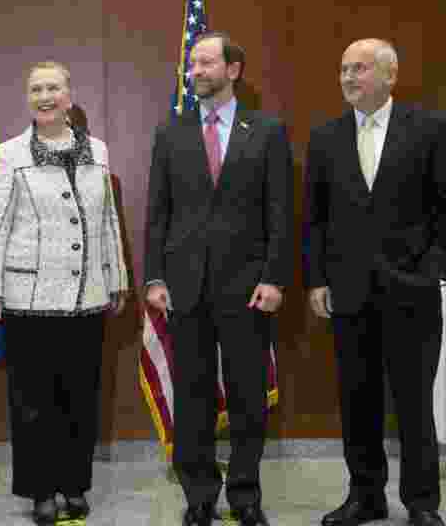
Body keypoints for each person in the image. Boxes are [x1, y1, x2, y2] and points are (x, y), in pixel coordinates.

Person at [303, 38, 446, 526]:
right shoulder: (326, 136)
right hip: (348, 293)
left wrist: (436, 269)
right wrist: (316, 281)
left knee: (414, 403)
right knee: (358, 401)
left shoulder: (430, 128)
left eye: (359, 69)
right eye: (343, 69)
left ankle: (422, 503)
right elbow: (314, 219)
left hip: (412, 291)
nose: (348, 78)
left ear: (390, 76)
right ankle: (366, 496)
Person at [144, 31, 293, 526]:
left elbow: (280, 212)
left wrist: (275, 277)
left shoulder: (267, 131)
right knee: (193, 395)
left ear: (233, 70)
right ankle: (200, 495)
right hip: (184, 287)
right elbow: (158, 214)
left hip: (248, 288)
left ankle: (246, 496)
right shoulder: (171, 131)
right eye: (192, 63)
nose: (195, 71)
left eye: (206, 62)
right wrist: (154, 278)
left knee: (249, 395)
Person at [0, 61, 128, 526]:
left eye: (54, 88)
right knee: (33, 401)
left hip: (87, 297)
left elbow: (106, 220)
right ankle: (41, 489)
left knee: (79, 397)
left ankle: (73, 484)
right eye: (37, 88)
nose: (46, 96)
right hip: (29, 299)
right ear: (28, 98)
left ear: (69, 95)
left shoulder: (97, 149)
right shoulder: (9, 153)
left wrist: (118, 276)